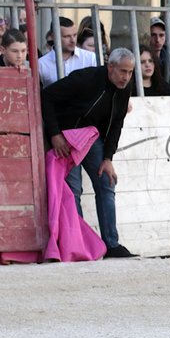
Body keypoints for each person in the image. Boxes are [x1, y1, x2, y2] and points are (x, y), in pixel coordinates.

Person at [41, 48, 137, 258]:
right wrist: (55, 134)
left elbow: (116, 124)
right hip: (67, 138)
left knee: (106, 182)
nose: (126, 77)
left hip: (90, 139)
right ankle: (78, 242)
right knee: (74, 190)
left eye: (130, 72)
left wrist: (108, 158)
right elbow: (46, 96)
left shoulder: (124, 87)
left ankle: (111, 244)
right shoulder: (86, 78)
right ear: (110, 67)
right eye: (122, 71)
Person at [39, 17, 98, 87]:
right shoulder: (41, 64)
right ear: (53, 36)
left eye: (75, 35)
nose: (73, 40)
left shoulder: (90, 58)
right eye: (67, 36)